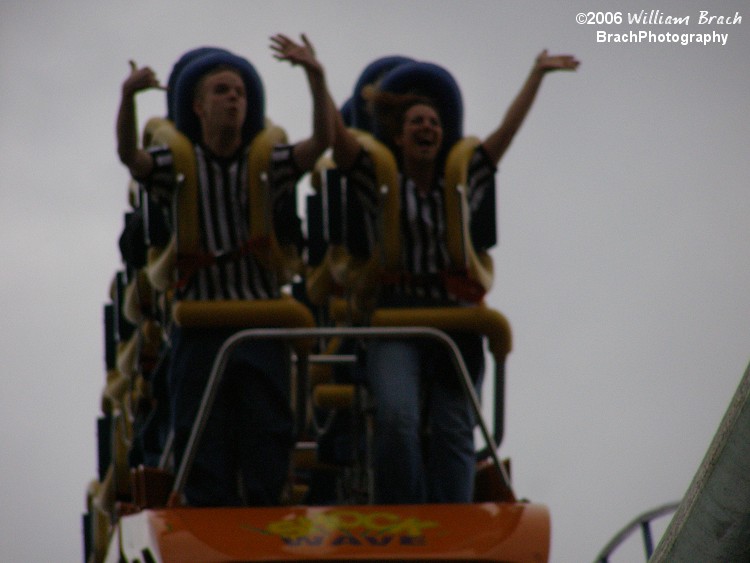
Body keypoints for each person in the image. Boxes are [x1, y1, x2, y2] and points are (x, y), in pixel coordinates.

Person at [330, 50, 579, 504]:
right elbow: (341, 146)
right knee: (397, 419)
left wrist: (536, 75)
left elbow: (505, 135)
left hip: (455, 322)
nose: (427, 128)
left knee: (453, 427)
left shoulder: (461, 182)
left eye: (434, 122)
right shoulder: (380, 181)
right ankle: (403, 515)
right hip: (396, 320)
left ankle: (453, 520)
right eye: (416, 122)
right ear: (399, 138)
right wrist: (315, 75)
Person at [115, 34, 334, 506]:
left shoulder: (267, 163)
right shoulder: (176, 164)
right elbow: (130, 158)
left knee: (268, 429)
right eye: (221, 91)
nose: (234, 98)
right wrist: (127, 99)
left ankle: (266, 520)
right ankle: (208, 528)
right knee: (201, 432)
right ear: (197, 107)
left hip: (259, 323)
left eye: (239, 91)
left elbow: (318, 143)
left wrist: (316, 78)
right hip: (202, 326)